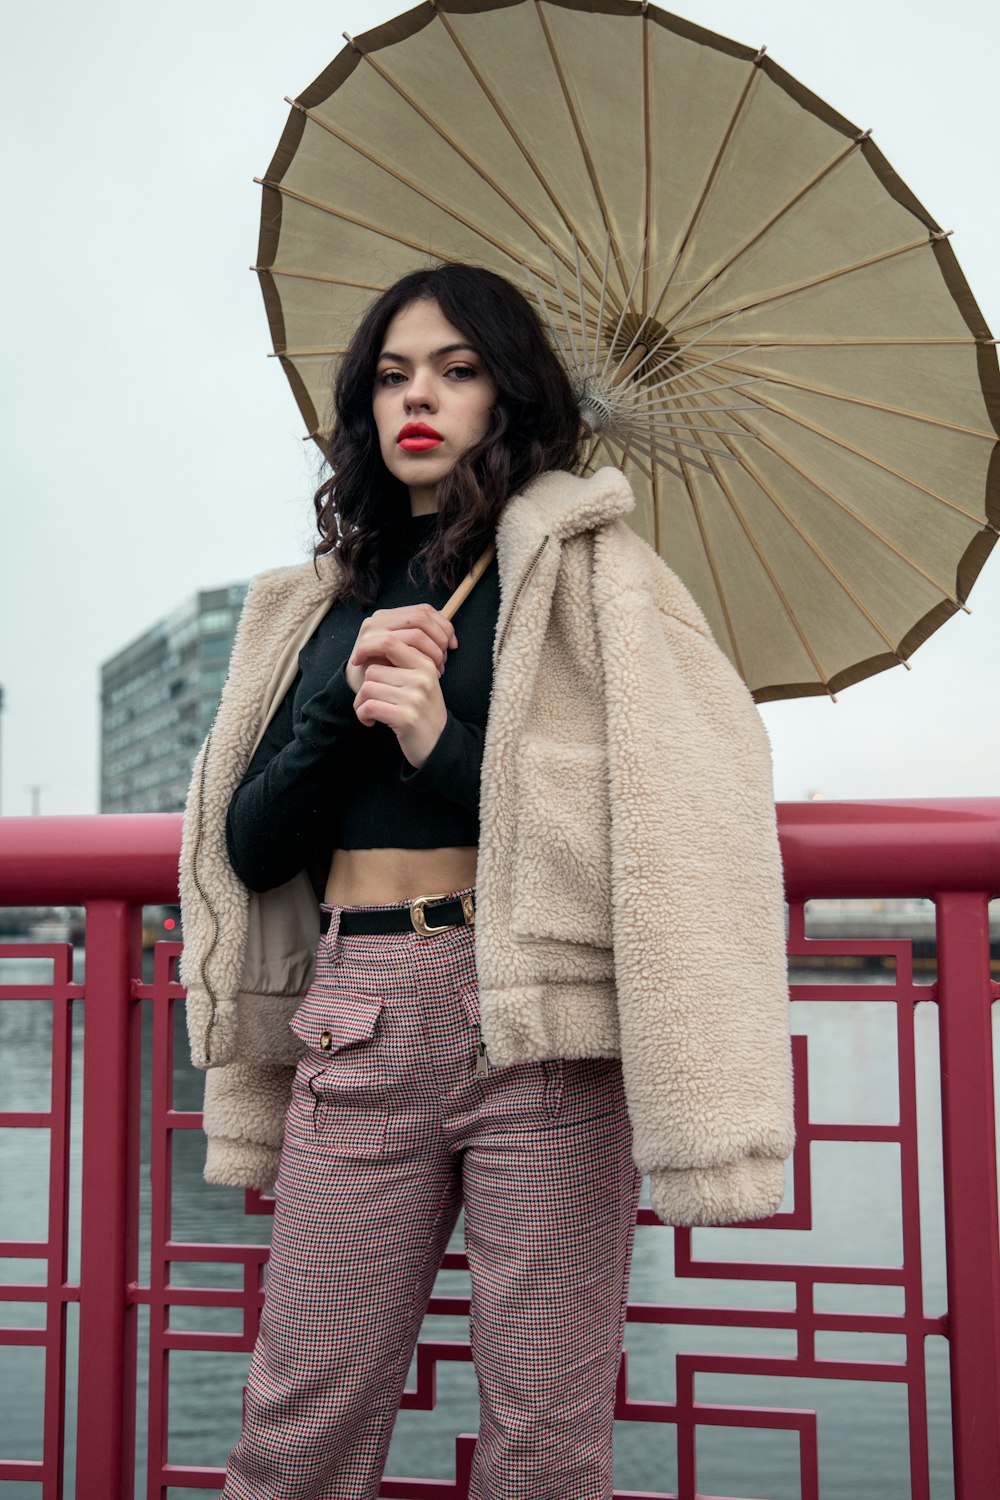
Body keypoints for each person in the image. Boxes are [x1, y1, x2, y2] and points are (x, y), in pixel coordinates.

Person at [179, 263, 794, 1500]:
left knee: (542, 1443)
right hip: (356, 1015)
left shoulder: (590, 579)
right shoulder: (317, 607)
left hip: (546, 1031)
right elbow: (245, 853)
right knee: (297, 1427)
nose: (422, 398)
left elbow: (665, 829)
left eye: (457, 372)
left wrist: (436, 741)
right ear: (360, 405)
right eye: (395, 374)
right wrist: (341, 715)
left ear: (507, 396)